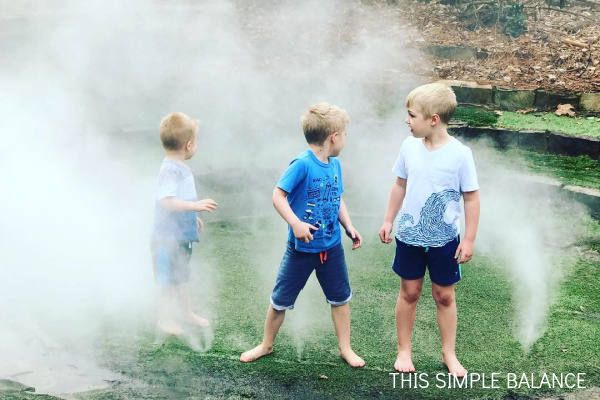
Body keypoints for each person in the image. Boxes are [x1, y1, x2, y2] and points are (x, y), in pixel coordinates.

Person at [240, 103, 365, 367]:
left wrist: (349, 226)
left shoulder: (335, 165)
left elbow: (337, 198)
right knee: (279, 301)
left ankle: (345, 348)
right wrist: (296, 223)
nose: (345, 139)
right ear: (334, 136)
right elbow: (277, 195)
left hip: (331, 249)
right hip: (300, 251)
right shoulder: (302, 164)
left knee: (340, 300)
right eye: (344, 134)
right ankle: (266, 345)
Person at [378, 83, 480, 377]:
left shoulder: (461, 154)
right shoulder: (409, 146)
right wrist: (388, 220)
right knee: (409, 292)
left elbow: (471, 197)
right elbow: (400, 184)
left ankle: (449, 353)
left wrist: (469, 239)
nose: (406, 121)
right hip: (409, 236)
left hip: (445, 241)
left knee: (444, 296)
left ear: (433, 119)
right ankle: (404, 349)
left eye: (411, 115)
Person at [151, 112, 218, 335]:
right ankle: (164, 318)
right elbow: (168, 201)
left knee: (181, 277)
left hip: (180, 236)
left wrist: (192, 218)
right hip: (165, 240)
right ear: (188, 145)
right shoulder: (170, 169)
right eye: (196, 141)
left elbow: (180, 201)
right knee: (167, 282)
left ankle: (186, 312)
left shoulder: (179, 167)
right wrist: (195, 207)